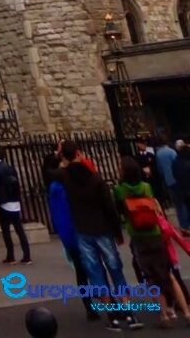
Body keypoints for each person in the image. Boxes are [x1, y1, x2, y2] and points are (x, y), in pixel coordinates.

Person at [60, 142, 142, 331]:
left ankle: (111, 316)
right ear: (80, 154)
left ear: (65, 157)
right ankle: (129, 312)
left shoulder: (66, 178)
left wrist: (62, 157)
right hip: (102, 229)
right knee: (115, 269)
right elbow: (109, 207)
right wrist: (117, 231)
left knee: (96, 273)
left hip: (83, 231)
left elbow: (52, 173)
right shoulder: (96, 179)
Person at [113, 156, 188, 328]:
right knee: (168, 274)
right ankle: (186, 311)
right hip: (155, 234)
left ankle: (164, 315)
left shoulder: (120, 190)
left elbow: (118, 210)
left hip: (139, 238)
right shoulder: (146, 187)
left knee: (151, 278)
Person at [42, 151, 98, 323]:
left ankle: (90, 307)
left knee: (81, 271)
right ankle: (103, 302)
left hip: (70, 234)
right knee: (94, 267)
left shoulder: (54, 188)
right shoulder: (65, 184)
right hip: (83, 230)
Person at [0, 145, 31, 265]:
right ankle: (27, 255)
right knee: (19, 229)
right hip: (14, 201)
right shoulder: (10, 168)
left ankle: (11, 255)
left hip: (3, 203)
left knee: (6, 230)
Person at [156, 134, 178, 213]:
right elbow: (177, 164)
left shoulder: (158, 154)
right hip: (176, 177)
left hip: (167, 179)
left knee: (174, 198)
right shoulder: (171, 151)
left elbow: (159, 168)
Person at [173, 141, 190, 235]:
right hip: (187, 188)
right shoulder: (188, 163)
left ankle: (185, 226)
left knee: (183, 207)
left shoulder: (176, 162)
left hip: (180, 189)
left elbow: (174, 174)